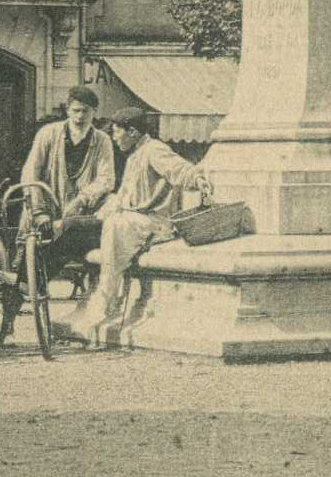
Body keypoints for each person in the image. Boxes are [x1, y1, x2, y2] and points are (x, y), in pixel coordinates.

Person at [75, 107, 212, 346]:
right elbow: (125, 194)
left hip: (154, 222)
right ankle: (102, 302)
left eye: (118, 133)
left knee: (116, 227)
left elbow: (178, 168)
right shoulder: (136, 155)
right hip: (136, 219)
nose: (115, 138)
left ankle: (103, 306)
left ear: (133, 132)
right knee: (102, 224)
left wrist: (198, 179)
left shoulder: (154, 150)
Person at [19, 86, 119, 285]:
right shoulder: (48, 134)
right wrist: (39, 211)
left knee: (76, 237)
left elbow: (106, 178)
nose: (80, 116)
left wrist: (83, 199)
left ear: (94, 113)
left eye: (86, 111)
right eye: (76, 111)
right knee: (30, 245)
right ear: (67, 110)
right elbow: (31, 172)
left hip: (80, 212)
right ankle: (21, 284)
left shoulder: (102, 140)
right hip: (46, 205)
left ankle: (36, 281)